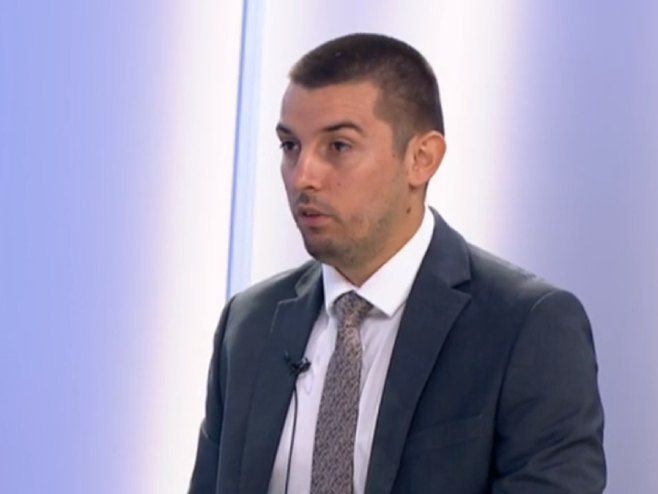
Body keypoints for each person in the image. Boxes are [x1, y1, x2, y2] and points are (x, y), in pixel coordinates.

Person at [188, 33, 605, 494]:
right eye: (290, 146)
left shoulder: (527, 326)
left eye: (338, 146)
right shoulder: (249, 323)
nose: (304, 176)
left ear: (422, 159)